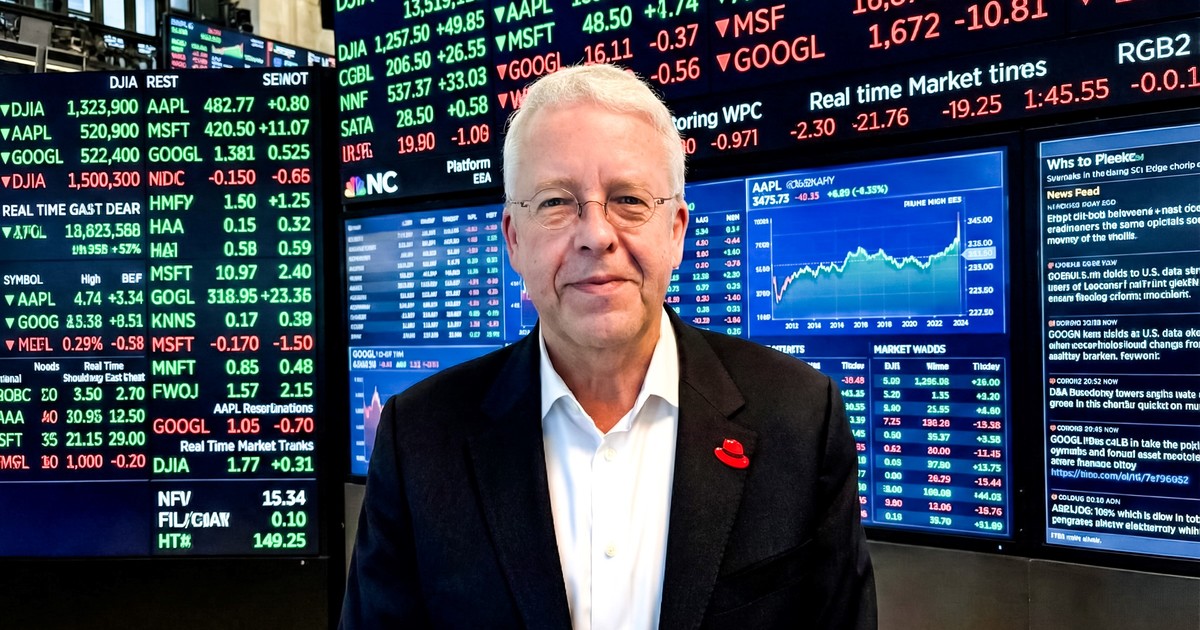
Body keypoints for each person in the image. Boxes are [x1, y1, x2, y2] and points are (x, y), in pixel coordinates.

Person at [340, 64, 876, 629]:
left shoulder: (800, 418)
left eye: (629, 200)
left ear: (676, 230)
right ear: (514, 239)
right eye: (555, 202)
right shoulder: (419, 438)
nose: (596, 235)